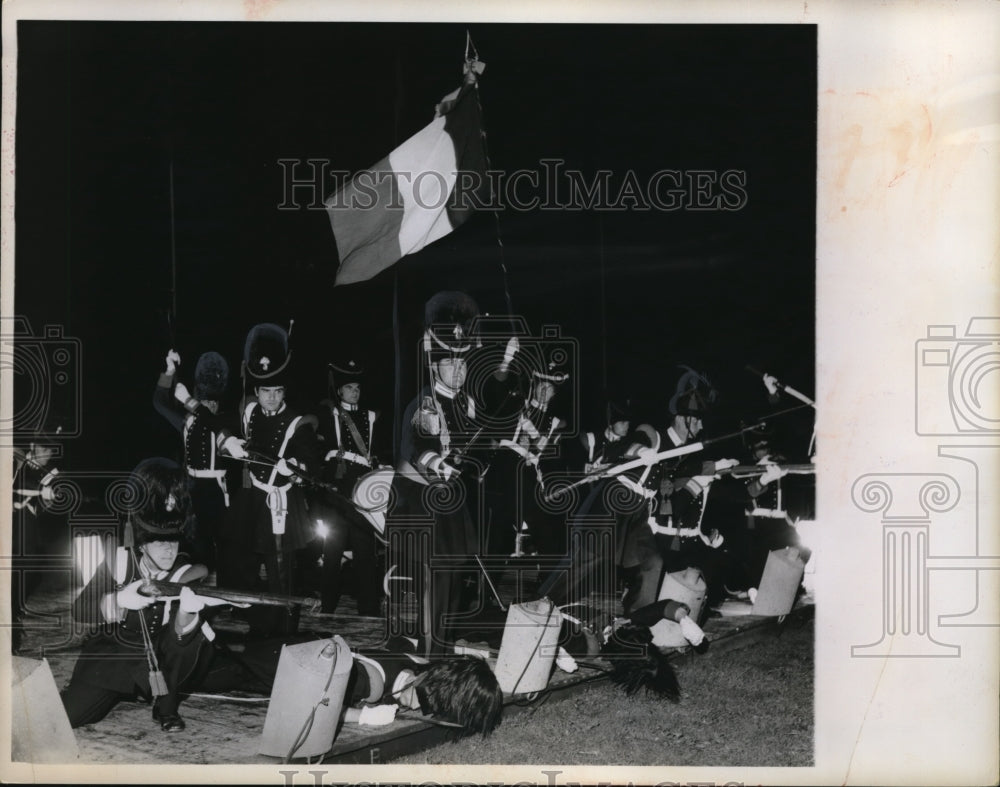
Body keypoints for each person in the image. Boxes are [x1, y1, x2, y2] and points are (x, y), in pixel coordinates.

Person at [60, 458, 229, 731]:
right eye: (159, 541)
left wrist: (186, 615)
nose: (168, 549)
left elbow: (179, 643)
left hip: (165, 664)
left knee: (198, 641)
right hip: (116, 656)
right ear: (142, 541)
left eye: (173, 540)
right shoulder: (119, 562)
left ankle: (166, 707)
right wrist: (116, 601)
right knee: (67, 717)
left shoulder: (186, 573)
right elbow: (80, 610)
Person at [387, 291, 500, 656]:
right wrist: (439, 462)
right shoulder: (425, 402)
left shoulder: (464, 403)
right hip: (420, 501)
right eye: (451, 364)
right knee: (435, 579)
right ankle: (431, 649)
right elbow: (418, 445)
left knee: (451, 578)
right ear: (436, 366)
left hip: (449, 503)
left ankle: (442, 642)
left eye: (464, 365)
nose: (459, 371)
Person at [219, 322, 320, 634]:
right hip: (251, 498)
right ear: (256, 391)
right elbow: (221, 423)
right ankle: (252, 622)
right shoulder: (247, 409)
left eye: (277, 392)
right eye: (266, 391)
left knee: (281, 571)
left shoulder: (298, 421)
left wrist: (297, 463)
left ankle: (285, 629)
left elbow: (309, 454)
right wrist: (227, 441)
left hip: (281, 503)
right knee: (239, 559)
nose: (272, 398)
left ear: (284, 391)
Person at [153, 348, 243, 571]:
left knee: (225, 546)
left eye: (211, 403)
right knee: (196, 544)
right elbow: (160, 403)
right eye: (204, 402)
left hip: (219, 489)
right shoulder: (186, 422)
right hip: (192, 487)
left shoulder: (227, 421)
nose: (208, 406)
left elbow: (209, 420)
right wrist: (169, 371)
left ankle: (225, 596)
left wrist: (190, 401)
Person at [484, 348, 570, 557]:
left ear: (555, 393)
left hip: (527, 472)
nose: (544, 391)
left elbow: (543, 451)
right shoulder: (517, 403)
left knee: (543, 526)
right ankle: (486, 580)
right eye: (542, 385)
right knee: (498, 529)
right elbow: (496, 387)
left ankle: (550, 577)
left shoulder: (554, 422)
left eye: (550, 388)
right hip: (505, 466)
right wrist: (506, 358)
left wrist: (535, 443)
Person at [315, 358, 385, 615]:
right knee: (332, 550)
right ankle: (327, 607)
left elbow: (376, 455)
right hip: (337, 487)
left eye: (357, 387)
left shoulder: (371, 417)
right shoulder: (329, 414)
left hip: (363, 488)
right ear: (340, 391)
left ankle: (368, 609)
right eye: (349, 387)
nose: (355, 391)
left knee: (365, 551)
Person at [11, 418, 67, 652]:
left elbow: (46, 505)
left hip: (27, 532)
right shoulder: (17, 460)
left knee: (31, 574)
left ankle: (15, 616)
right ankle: (12, 626)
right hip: (12, 530)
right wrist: (39, 490)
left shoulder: (49, 473)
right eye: (40, 449)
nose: (44, 456)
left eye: (48, 452)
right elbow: (13, 486)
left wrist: (46, 499)